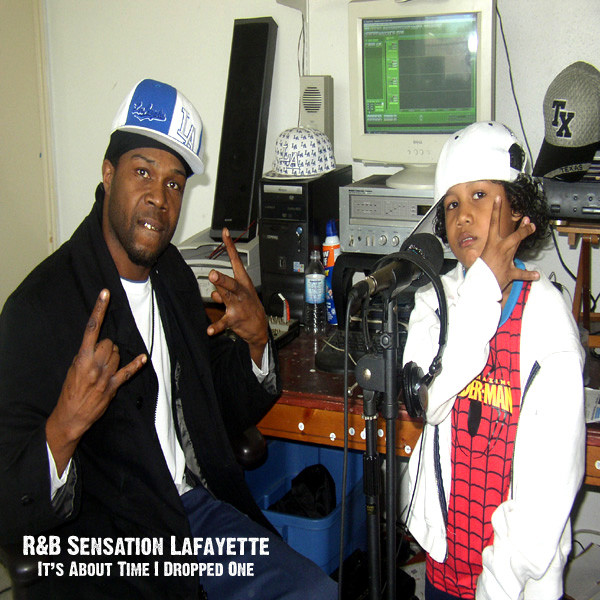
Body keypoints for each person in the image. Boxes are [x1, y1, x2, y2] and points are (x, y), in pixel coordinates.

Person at [0, 79, 337, 599]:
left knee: (315, 591)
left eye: (175, 183)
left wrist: (255, 345)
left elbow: (211, 408)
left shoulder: (172, 275)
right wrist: (62, 429)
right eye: (143, 172)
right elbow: (9, 506)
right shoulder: (38, 309)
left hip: (192, 518)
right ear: (108, 175)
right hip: (107, 546)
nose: (159, 197)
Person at [401, 121, 585, 599]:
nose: (463, 215)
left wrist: (495, 588)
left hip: (513, 584)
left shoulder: (548, 325)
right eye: (451, 204)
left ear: (519, 209)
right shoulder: (433, 303)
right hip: (444, 566)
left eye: (480, 196)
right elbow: (428, 403)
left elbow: (545, 498)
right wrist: (483, 287)